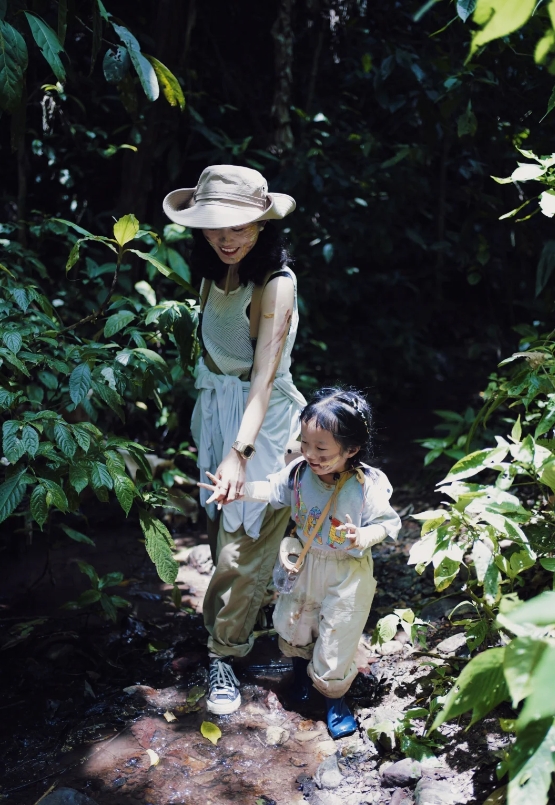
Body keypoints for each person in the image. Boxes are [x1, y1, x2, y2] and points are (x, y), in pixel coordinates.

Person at [163, 165, 306, 715]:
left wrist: (239, 452)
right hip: (220, 413)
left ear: (263, 225)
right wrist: (214, 432)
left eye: (240, 226)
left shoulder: (276, 283)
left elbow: (264, 377)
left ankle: (228, 651)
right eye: (216, 226)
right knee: (225, 535)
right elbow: (214, 357)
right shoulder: (212, 274)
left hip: (262, 428)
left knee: (246, 547)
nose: (227, 237)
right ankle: (232, 630)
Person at [201, 387, 401, 738]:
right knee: (297, 621)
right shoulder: (298, 474)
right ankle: (300, 677)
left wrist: (364, 537)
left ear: (351, 449)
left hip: (346, 572)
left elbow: (390, 523)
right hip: (305, 563)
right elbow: (272, 490)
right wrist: (239, 491)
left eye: (321, 448)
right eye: (305, 444)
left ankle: (333, 699)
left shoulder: (366, 485)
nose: (310, 454)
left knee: (338, 633)